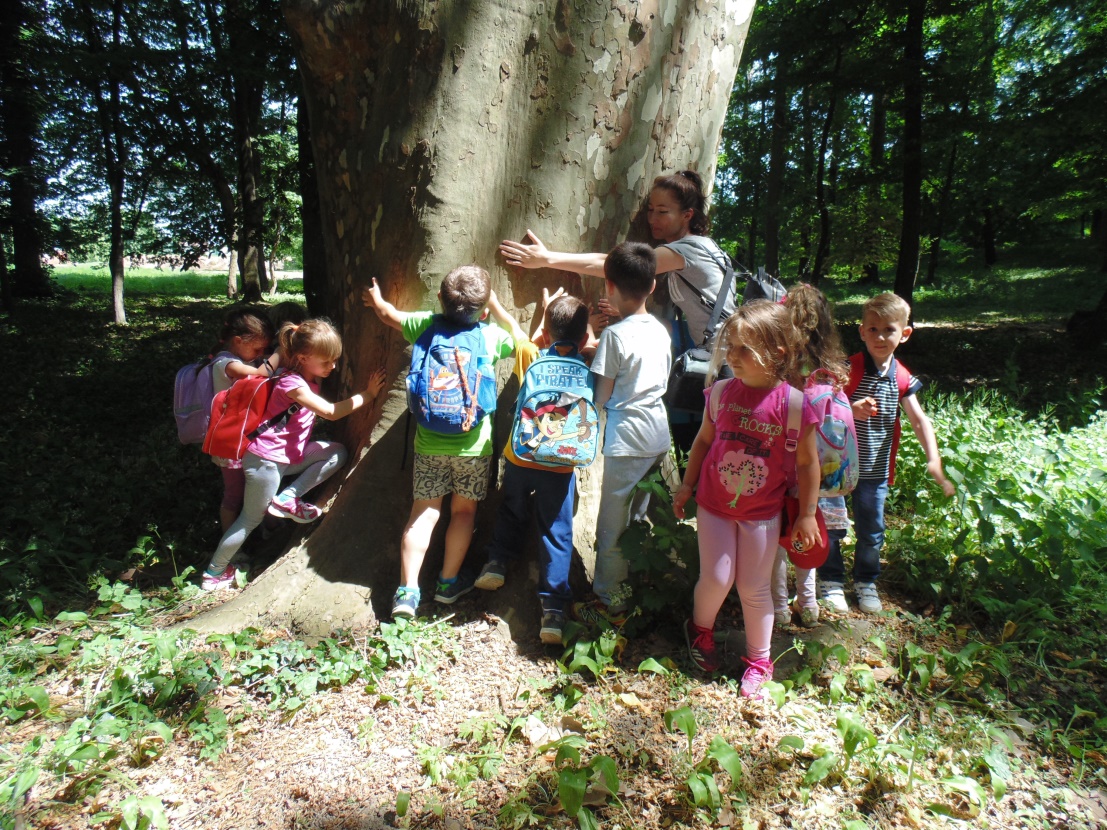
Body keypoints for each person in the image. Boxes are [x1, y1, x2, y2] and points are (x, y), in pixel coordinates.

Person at [499, 170, 736, 448]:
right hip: (713, 359)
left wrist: (547, 259)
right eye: (650, 210)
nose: (652, 219)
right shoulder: (697, 249)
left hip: (723, 363)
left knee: (712, 451)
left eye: (663, 211)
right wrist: (629, 313)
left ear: (687, 215)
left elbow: (617, 267)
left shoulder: (690, 250)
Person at [673, 301, 820, 699]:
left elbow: (807, 464)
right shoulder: (719, 392)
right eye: (731, 347)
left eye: (744, 350)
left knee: (754, 588)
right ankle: (700, 632)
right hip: (714, 506)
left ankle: (759, 661)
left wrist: (808, 513)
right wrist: (686, 486)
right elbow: (704, 441)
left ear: (778, 354)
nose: (733, 358)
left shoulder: (793, 405)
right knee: (717, 578)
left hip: (762, 514)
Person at [361, 266, 515, 619]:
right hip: (474, 448)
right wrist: (499, 310)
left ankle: (407, 591)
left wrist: (376, 299)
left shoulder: (424, 325)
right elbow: (522, 341)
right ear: (485, 309)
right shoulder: (490, 336)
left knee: (424, 513)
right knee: (463, 513)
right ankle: (447, 583)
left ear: (440, 300)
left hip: (429, 444)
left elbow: (388, 316)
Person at [201, 319, 386, 591]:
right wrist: (369, 395)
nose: (332, 367)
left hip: (285, 458)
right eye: (326, 362)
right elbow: (331, 412)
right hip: (265, 462)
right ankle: (214, 573)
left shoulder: (306, 379)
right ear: (302, 357)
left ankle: (288, 497)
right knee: (249, 519)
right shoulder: (291, 383)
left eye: (335, 360)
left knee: (336, 453)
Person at [817, 292, 956, 614]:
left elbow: (920, 420)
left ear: (904, 334)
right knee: (833, 525)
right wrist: (849, 408)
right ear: (862, 331)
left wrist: (934, 459)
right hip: (837, 467)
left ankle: (866, 581)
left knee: (872, 529)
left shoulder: (901, 376)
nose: (880, 337)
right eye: (873, 329)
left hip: (875, 469)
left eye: (889, 330)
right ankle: (831, 580)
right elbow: (822, 410)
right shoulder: (848, 369)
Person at [476, 288, 594, 644]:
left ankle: (496, 561)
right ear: (584, 336)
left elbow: (513, 327)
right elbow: (589, 342)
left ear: (544, 330)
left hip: (521, 456)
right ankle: (554, 612)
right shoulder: (590, 362)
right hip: (560, 464)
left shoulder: (531, 353)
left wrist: (500, 302)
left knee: (511, 508)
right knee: (556, 531)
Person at [572, 242, 672, 624]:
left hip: (627, 439)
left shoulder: (614, 337)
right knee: (635, 521)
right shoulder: (660, 329)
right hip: (656, 436)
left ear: (609, 286)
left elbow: (603, 393)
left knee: (612, 527)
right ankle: (634, 587)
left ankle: (610, 606)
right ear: (652, 287)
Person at [771, 284, 851, 629]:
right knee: (808, 534)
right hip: (822, 471)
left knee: (776, 540)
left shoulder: (781, 366)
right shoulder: (831, 371)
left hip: (783, 468)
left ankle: (777, 608)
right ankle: (809, 603)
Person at [206, 309, 277, 530]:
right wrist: (281, 352)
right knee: (234, 493)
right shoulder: (227, 364)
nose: (261, 353)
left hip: (242, 439)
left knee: (252, 487)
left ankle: (255, 530)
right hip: (229, 444)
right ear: (238, 341)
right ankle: (231, 540)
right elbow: (261, 373)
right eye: (257, 348)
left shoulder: (239, 358)